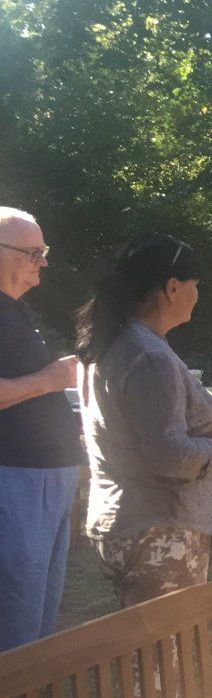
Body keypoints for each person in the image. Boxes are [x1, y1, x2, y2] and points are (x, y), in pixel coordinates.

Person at [76, 235, 212, 608]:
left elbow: (137, 430)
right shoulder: (148, 355)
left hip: (128, 522)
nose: (197, 295)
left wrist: (203, 425)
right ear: (172, 288)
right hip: (158, 530)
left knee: (146, 640)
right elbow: (168, 456)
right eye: (195, 285)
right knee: (165, 643)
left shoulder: (115, 343)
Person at [0, 209, 85, 648]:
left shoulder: (15, 311)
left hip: (48, 477)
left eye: (43, 251)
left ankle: (27, 691)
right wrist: (50, 380)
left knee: (38, 612)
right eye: (33, 252)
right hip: (15, 478)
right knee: (14, 610)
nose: (44, 261)